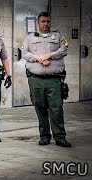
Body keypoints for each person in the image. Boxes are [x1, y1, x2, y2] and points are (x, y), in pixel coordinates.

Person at [21, 12, 71, 147]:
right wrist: (39, 58)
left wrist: (49, 55)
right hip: (36, 79)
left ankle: (60, 137)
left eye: (48, 21)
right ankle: (44, 136)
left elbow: (64, 49)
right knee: (40, 108)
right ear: (38, 23)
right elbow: (24, 53)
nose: (45, 24)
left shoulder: (58, 36)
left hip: (54, 80)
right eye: (43, 21)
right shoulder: (30, 38)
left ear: (51, 22)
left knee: (56, 108)